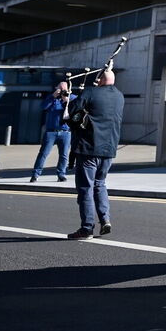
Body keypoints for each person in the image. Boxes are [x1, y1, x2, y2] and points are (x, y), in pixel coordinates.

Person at [66, 67, 124, 240]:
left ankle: (86, 228)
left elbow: (72, 109)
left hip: (89, 147)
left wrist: (76, 97)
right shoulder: (119, 96)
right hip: (109, 149)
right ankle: (105, 219)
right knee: (100, 184)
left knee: (85, 188)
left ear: (100, 80)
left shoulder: (91, 92)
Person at [32, 80, 74, 183]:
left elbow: (76, 108)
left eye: (64, 89)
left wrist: (67, 101)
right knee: (43, 153)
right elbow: (43, 106)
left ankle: (61, 174)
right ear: (57, 89)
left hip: (65, 131)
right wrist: (53, 96)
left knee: (64, 155)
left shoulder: (71, 98)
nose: (62, 92)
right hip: (51, 132)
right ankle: (35, 174)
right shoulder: (52, 98)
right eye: (60, 89)